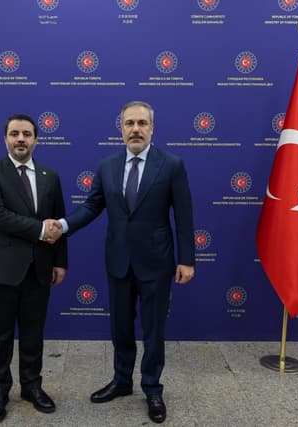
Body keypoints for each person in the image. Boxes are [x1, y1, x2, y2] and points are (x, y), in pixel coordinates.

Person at [53, 100, 195, 423]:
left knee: (154, 329)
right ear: (121, 129)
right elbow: (92, 206)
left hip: (156, 262)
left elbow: (184, 216)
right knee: (120, 327)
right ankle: (121, 381)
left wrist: (187, 259)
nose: (135, 129)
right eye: (129, 123)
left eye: (142, 123)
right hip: (118, 261)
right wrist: (62, 225)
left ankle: (152, 387)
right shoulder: (107, 166)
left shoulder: (172, 165)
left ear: (152, 128)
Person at [0, 114, 67, 423]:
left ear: (36, 139)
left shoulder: (50, 176)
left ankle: (32, 387)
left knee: (33, 334)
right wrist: (41, 229)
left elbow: (59, 221)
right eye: (14, 133)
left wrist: (60, 261)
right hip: (0, 271)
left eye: (27, 134)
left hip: (39, 270)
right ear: (5, 138)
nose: (20, 139)